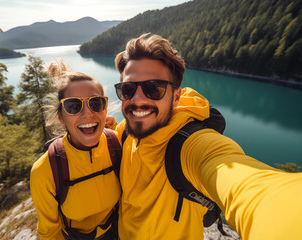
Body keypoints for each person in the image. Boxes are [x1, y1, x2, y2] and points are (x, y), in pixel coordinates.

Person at [111, 33, 302, 240]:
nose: (137, 100)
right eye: (128, 89)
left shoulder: (189, 145)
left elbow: (244, 182)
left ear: (176, 97)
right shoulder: (123, 133)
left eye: (153, 89)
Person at [30, 61, 121, 240]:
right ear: (61, 116)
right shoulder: (45, 171)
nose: (88, 114)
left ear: (105, 109)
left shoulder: (117, 143)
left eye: (96, 103)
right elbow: (50, 233)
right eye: (73, 106)